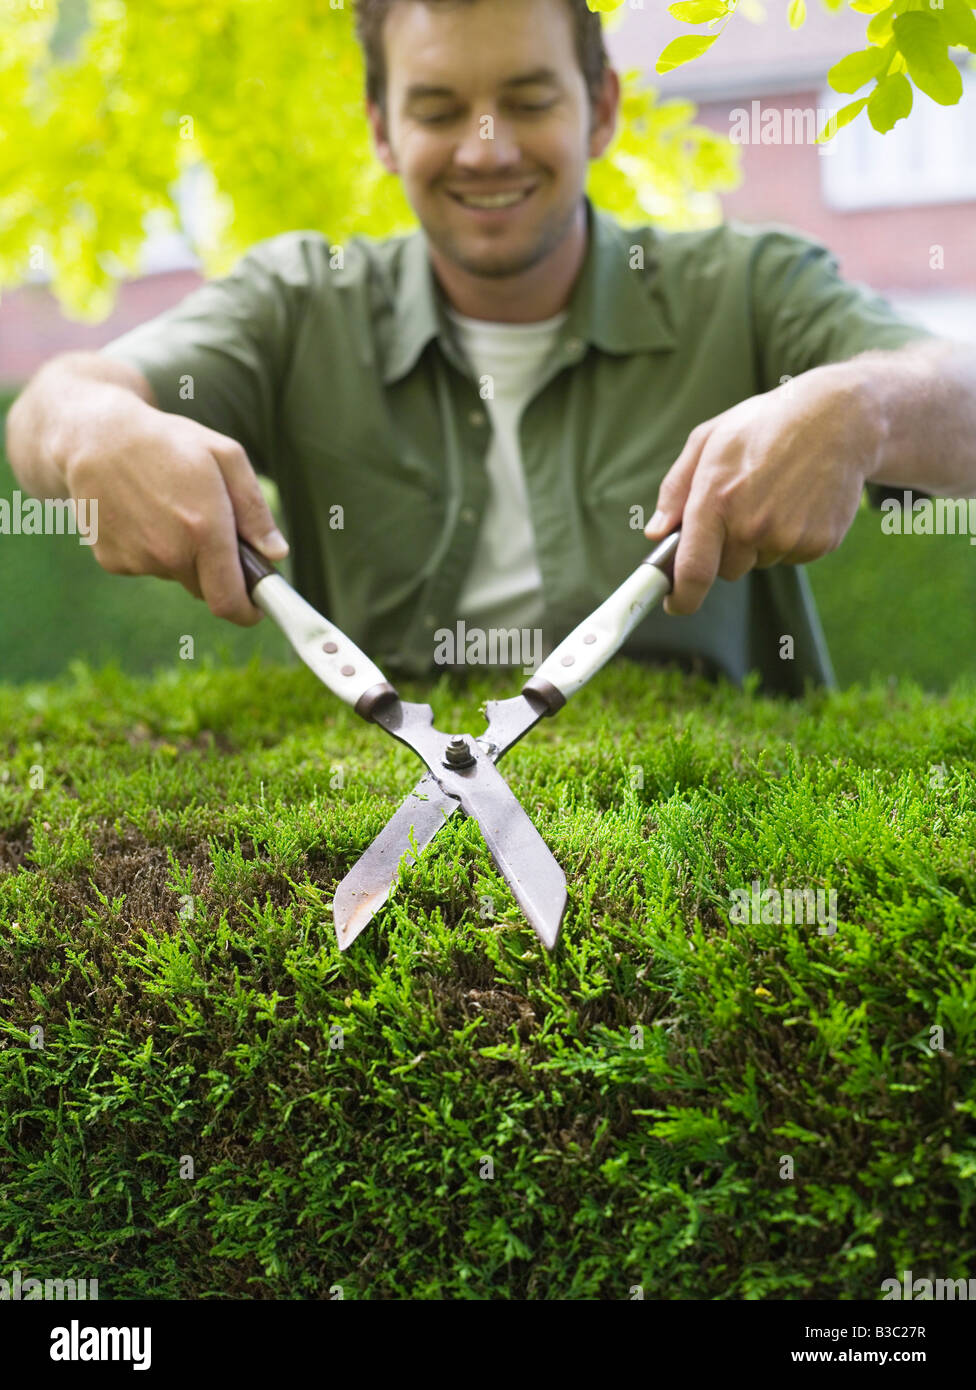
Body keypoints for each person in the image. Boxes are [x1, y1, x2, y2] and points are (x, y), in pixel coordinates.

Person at [6, 0, 974, 695]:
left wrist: (863, 408)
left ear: (599, 106)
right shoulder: (299, 300)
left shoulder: (752, 287)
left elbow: (959, 394)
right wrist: (99, 436)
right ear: (381, 129)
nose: (484, 148)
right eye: (436, 111)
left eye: (526, 99)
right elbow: (54, 404)